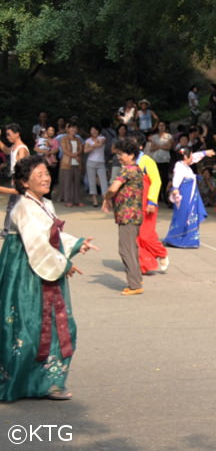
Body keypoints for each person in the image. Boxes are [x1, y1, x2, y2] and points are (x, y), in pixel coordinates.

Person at [0, 155, 97, 401]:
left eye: (46, 173)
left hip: (44, 269)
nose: (46, 178)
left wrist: (76, 243)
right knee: (28, 326)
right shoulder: (23, 206)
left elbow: (52, 236)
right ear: (24, 181)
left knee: (54, 324)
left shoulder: (44, 203)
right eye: (39, 175)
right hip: (25, 274)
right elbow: (37, 246)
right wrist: (65, 264)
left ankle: (48, 381)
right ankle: (26, 382)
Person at [102, 139, 145, 295]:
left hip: (127, 215)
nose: (119, 157)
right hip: (135, 214)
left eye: (121, 154)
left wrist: (106, 198)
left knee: (125, 250)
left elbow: (113, 188)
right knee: (131, 249)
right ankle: (136, 280)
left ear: (131, 155)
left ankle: (135, 285)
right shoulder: (138, 169)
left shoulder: (127, 170)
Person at [132, 132, 170, 275]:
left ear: (141, 146)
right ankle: (144, 264)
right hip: (132, 204)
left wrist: (152, 201)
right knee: (134, 237)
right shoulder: (126, 162)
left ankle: (162, 253)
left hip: (147, 202)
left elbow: (156, 181)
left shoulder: (147, 161)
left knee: (146, 235)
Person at [164, 148, 216, 248]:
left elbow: (195, 157)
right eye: (190, 155)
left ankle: (189, 239)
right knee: (184, 216)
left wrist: (205, 153)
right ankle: (176, 239)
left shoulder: (185, 166)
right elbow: (177, 179)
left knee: (190, 215)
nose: (192, 157)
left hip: (190, 195)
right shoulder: (179, 166)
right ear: (185, 157)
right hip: (184, 196)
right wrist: (175, 189)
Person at [1, 123, 31, 235]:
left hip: (20, 182)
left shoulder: (21, 149)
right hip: (16, 181)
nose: (7, 137)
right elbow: (5, 149)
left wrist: (17, 180)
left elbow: (22, 168)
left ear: (17, 134)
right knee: (13, 206)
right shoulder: (14, 147)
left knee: (17, 206)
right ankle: (7, 229)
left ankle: (11, 230)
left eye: (9, 134)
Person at [147, 121, 174, 204]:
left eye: (163, 125)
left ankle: (166, 197)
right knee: (156, 178)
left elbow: (169, 147)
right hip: (156, 159)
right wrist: (162, 146)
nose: (161, 127)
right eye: (160, 125)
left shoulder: (168, 136)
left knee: (165, 179)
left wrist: (158, 146)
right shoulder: (154, 137)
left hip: (165, 160)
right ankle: (157, 197)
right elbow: (151, 148)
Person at [58, 122, 84, 207]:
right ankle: (68, 200)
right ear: (68, 129)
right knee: (68, 182)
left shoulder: (78, 139)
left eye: (75, 128)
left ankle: (77, 200)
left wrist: (77, 155)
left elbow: (81, 149)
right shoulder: (64, 138)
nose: (73, 130)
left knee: (77, 182)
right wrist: (74, 156)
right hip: (67, 162)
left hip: (77, 162)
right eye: (71, 128)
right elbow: (65, 150)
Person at [83, 125, 108, 208]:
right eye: (92, 130)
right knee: (92, 181)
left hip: (101, 162)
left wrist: (91, 146)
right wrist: (94, 145)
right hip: (91, 161)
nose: (94, 132)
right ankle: (94, 199)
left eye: (96, 130)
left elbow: (100, 144)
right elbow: (85, 150)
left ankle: (105, 199)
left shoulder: (102, 138)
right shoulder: (88, 140)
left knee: (103, 181)